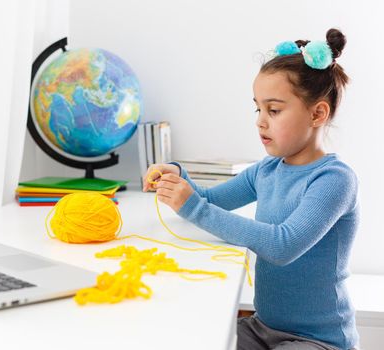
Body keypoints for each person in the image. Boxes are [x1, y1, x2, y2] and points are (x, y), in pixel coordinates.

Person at [143, 28, 359, 350]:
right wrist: (176, 174)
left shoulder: (334, 180)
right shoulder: (268, 169)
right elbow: (210, 199)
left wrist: (193, 206)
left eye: (273, 110)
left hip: (319, 341)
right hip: (263, 328)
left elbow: (282, 245)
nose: (260, 121)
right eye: (258, 109)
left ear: (317, 113)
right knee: (198, 336)